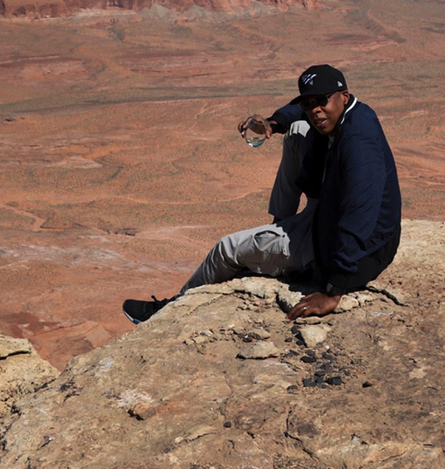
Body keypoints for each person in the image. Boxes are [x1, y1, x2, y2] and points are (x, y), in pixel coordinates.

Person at [122, 64, 401, 323]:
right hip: (331, 211)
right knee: (296, 131)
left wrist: (334, 289)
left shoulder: (358, 142)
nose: (315, 110)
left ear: (343, 95)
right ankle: (281, 222)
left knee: (226, 249)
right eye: (309, 103)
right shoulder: (356, 112)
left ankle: (168, 311)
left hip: (349, 249)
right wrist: (273, 123)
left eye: (322, 101)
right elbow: (297, 113)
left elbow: (359, 213)